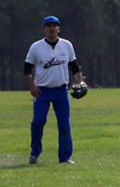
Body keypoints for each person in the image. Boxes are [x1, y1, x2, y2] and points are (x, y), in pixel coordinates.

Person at [24, 15, 85, 164]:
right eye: (48, 25)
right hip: (42, 91)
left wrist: (81, 82)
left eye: (54, 25)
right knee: (38, 122)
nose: (52, 28)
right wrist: (31, 86)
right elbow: (27, 68)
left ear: (58, 28)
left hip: (61, 91)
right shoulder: (36, 47)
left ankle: (65, 157)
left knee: (64, 124)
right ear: (44, 29)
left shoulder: (66, 45)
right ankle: (35, 153)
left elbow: (73, 66)